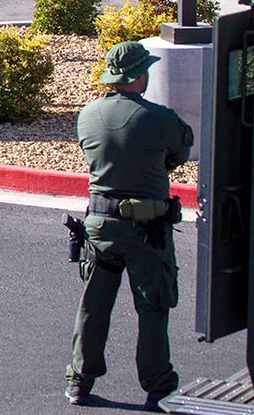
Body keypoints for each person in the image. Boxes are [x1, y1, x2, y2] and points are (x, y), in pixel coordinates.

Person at [65, 41, 193, 411]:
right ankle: (157, 385)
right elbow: (181, 151)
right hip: (146, 229)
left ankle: (79, 381)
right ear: (139, 75)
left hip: (99, 226)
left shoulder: (88, 114)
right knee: (153, 306)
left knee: (93, 306)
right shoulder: (160, 118)